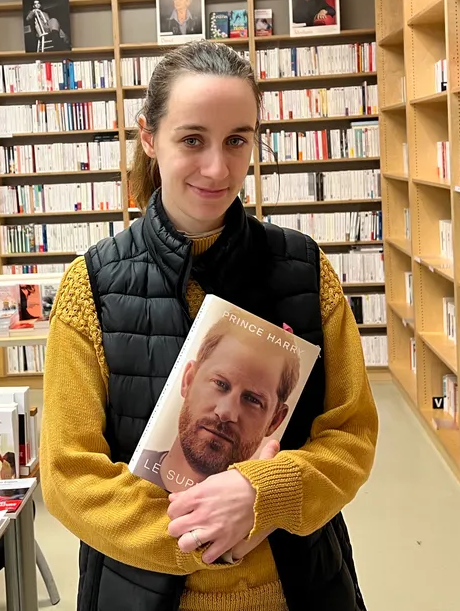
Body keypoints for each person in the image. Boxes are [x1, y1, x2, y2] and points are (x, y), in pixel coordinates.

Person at [41, 41, 378, 611]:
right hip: (138, 593)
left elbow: (351, 437)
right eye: (192, 139)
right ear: (149, 138)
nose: (218, 168)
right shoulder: (90, 288)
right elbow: (69, 476)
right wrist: (203, 537)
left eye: (237, 140)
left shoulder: (306, 271)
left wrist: (264, 495)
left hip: (300, 589)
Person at [132, 321, 300, 493]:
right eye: (220, 384)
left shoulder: (271, 513)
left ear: (275, 421)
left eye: (252, 399)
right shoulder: (124, 471)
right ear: (188, 380)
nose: (226, 412)